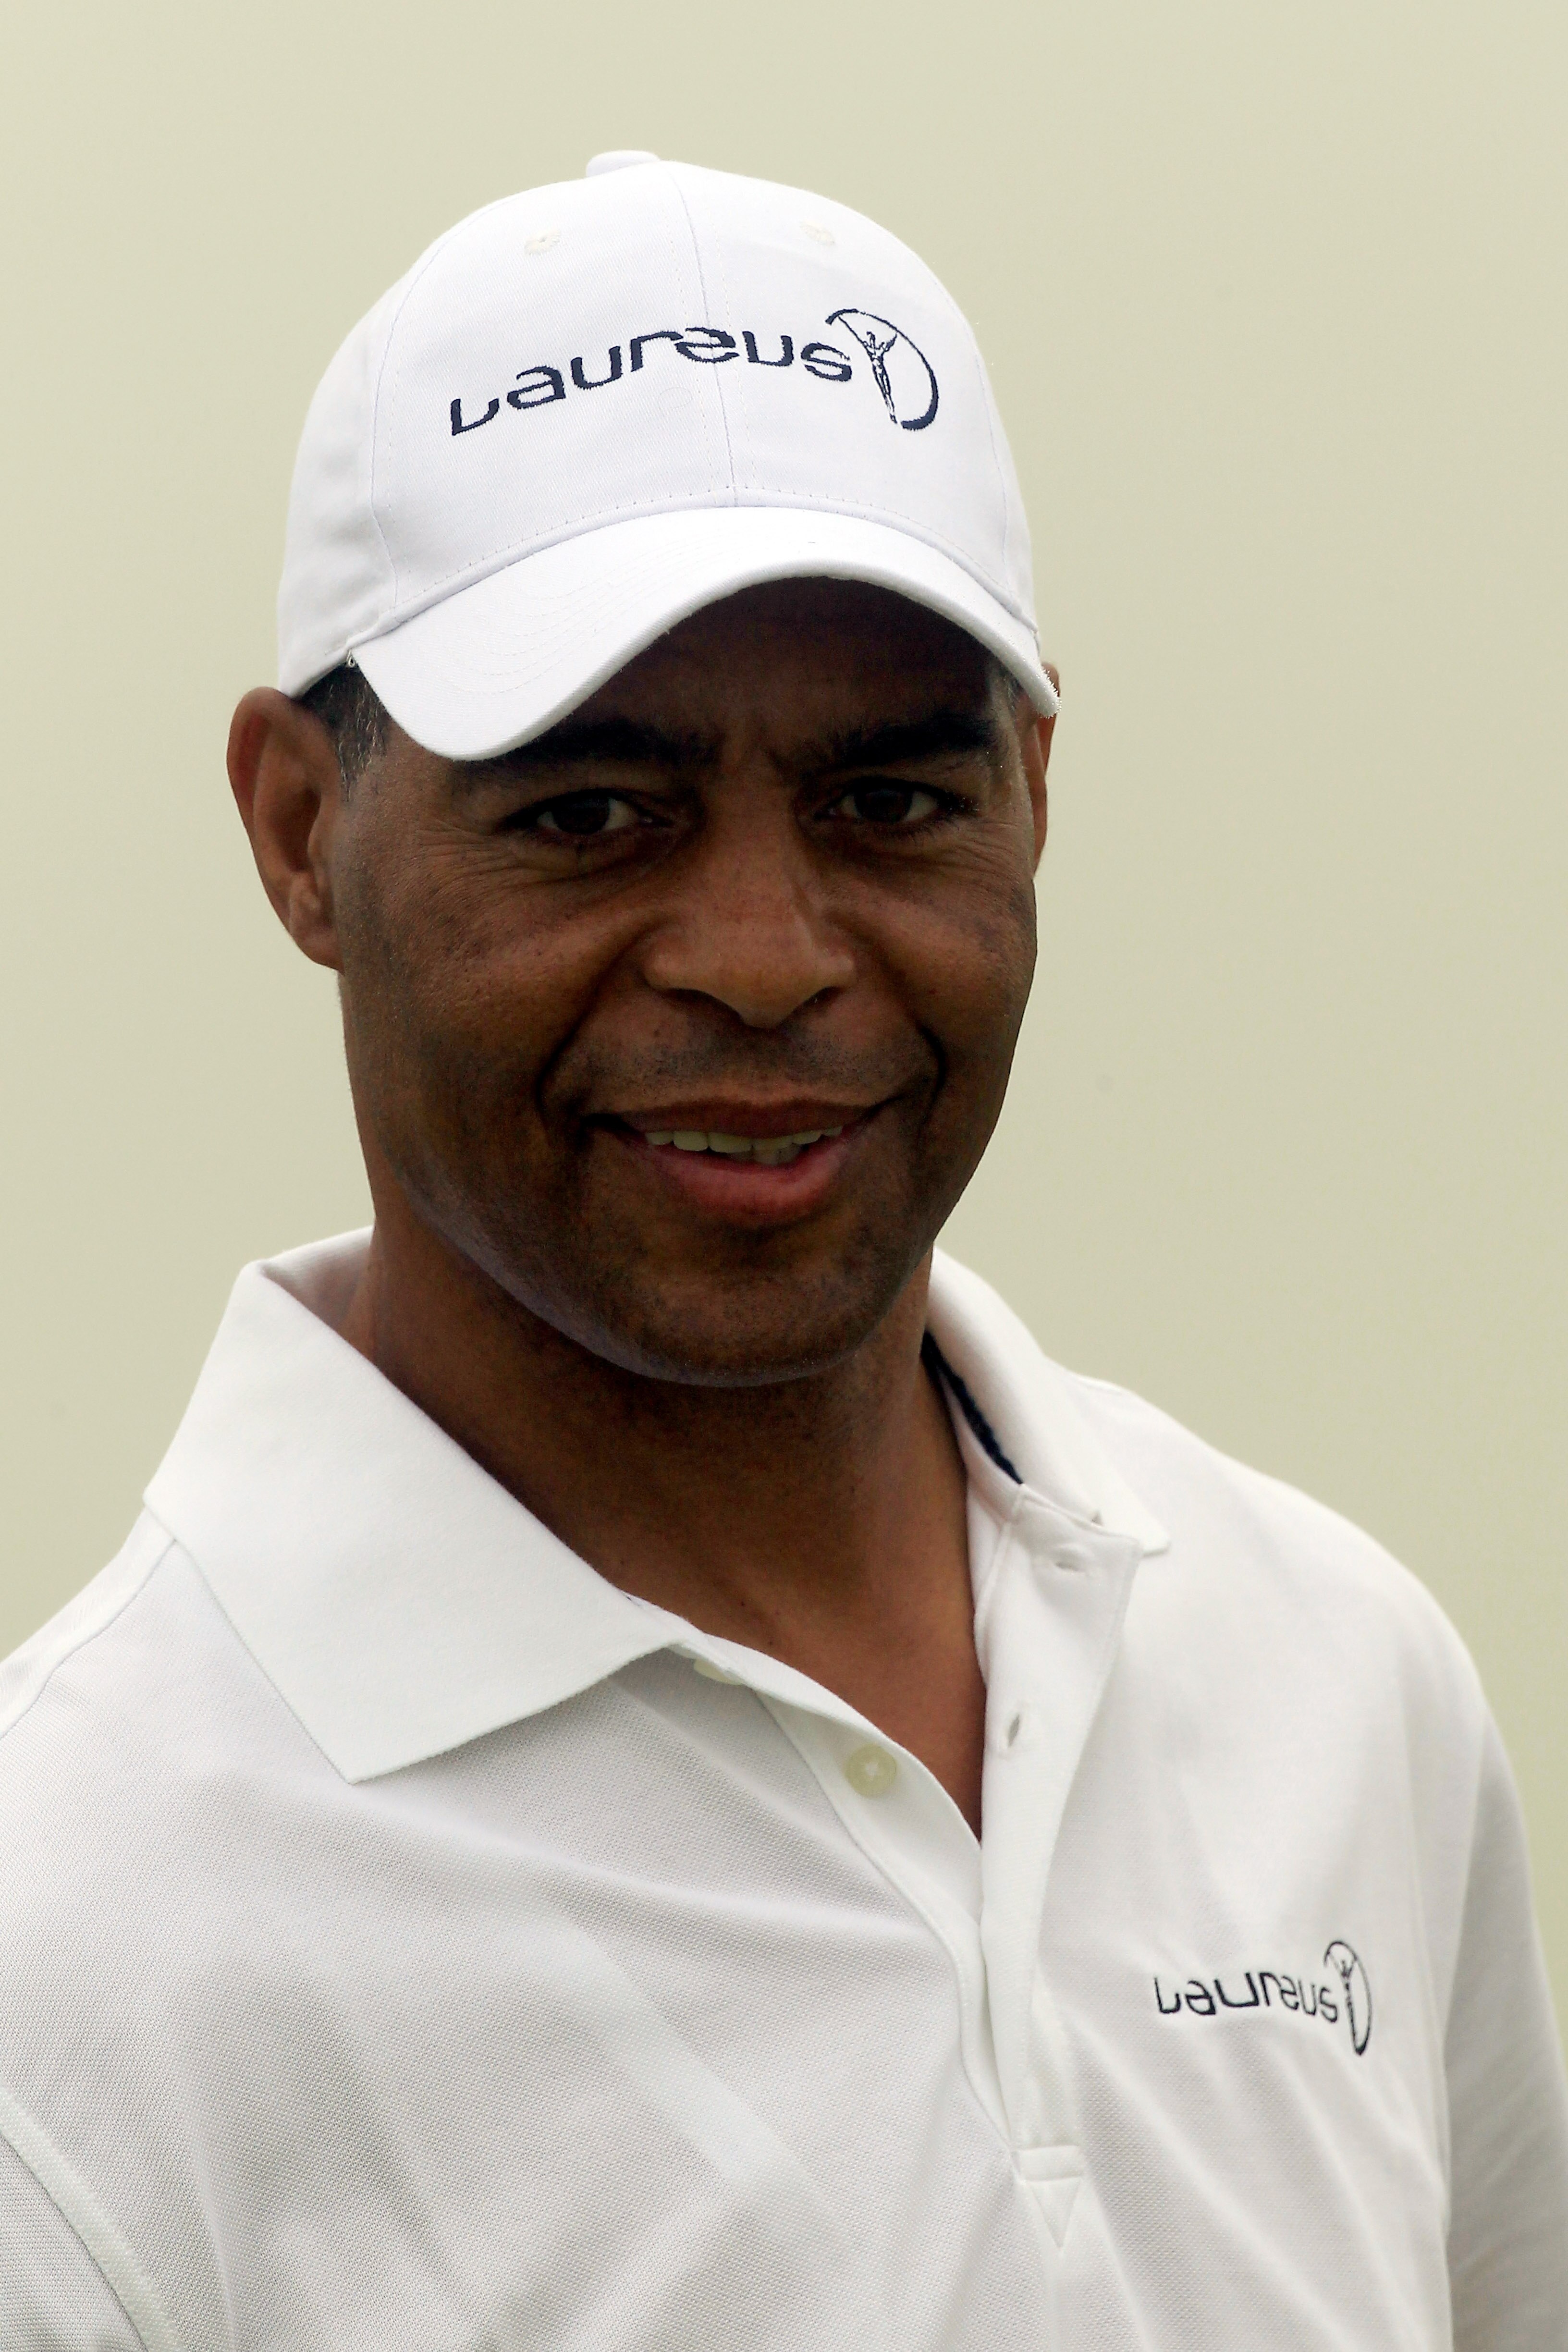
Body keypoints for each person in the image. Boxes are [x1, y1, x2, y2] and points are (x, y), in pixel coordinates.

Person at [1, 151, 1563, 2352]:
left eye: (891, 802)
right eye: (586, 813)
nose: (762, 956)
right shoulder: (70, 1964)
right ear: (300, 834)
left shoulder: (1331, 1685)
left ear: (1036, 790)